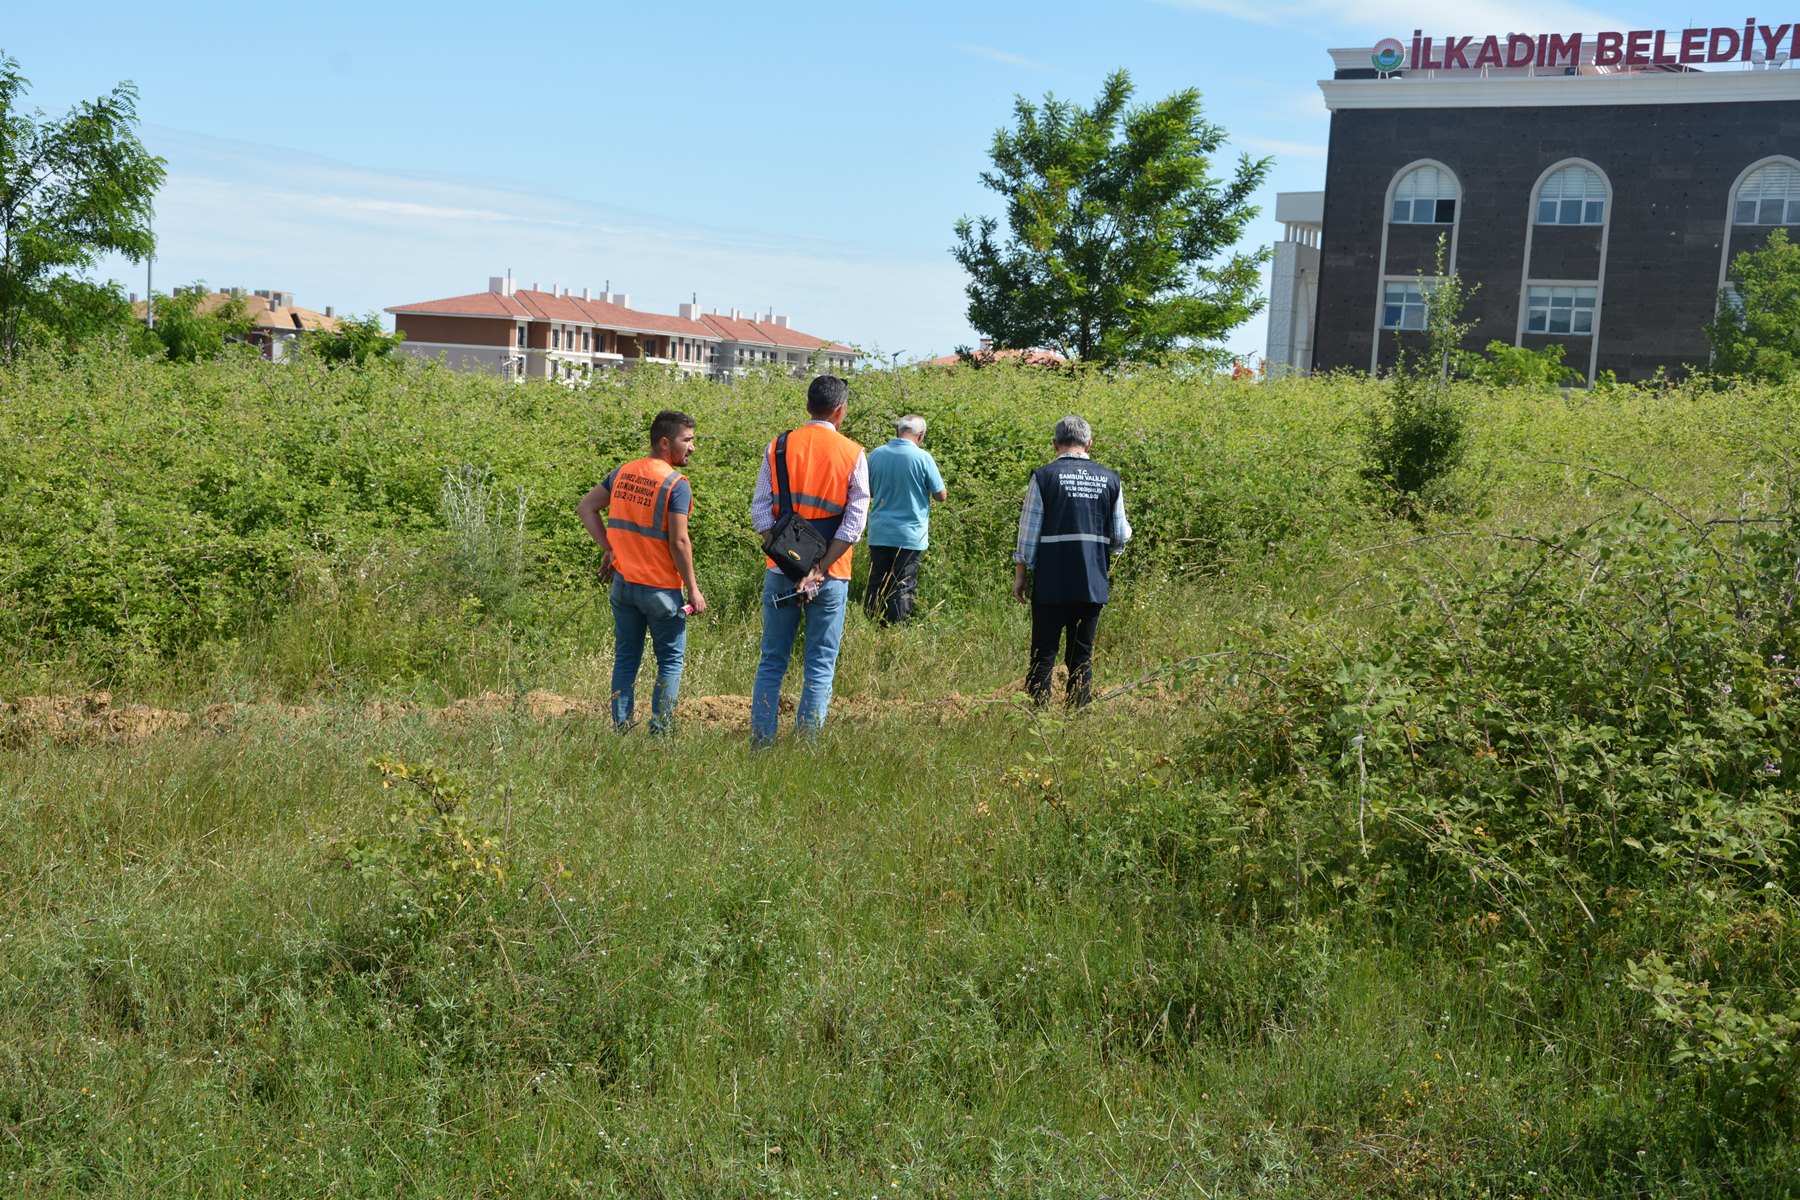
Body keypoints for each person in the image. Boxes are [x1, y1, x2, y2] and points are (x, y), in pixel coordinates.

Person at [749, 375, 869, 746]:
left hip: (780, 572)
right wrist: (817, 569)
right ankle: (806, 746)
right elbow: (854, 523)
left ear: (807, 407)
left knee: (772, 661)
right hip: (831, 575)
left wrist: (790, 563)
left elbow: (760, 515)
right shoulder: (853, 453)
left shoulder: (778, 447)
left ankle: (761, 744)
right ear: (841, 411)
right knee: (819, 665)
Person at [576, 409, 707, 735]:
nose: (692, 447)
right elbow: (679, 541)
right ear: (665, 442)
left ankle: (620, 729)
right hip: (661, 591)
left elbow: (586, 508)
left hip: (624, 586)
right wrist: (693, 589)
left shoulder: (624, 472)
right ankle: (659, 732)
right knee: (670, 662)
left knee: (625, 660)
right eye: (686, 440)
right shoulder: (676, 484)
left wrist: (609, 549)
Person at [1012, 414, 1131, 708]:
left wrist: (1021, 573)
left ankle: (1037, 717)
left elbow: (1028, 532)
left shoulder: (1043, 477)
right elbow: (1120, 534)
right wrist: (1103, 553)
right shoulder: (1110, 478)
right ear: (1089, 443)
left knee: (1043, 653)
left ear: (1055, 444)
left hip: (1051, 581)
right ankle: (1077, 715)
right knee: (1081, 656)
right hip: (1091, 581)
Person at [863, 414, 947, 625]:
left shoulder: (876, 455)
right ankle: (896, 631)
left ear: (897, 431)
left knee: (877, 582)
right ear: (921, 435)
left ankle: (873, 626)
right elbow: (941, 495)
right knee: (903, 584)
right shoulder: (923, 458)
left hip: (880, 531)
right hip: (910, 534)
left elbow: (868, 491)